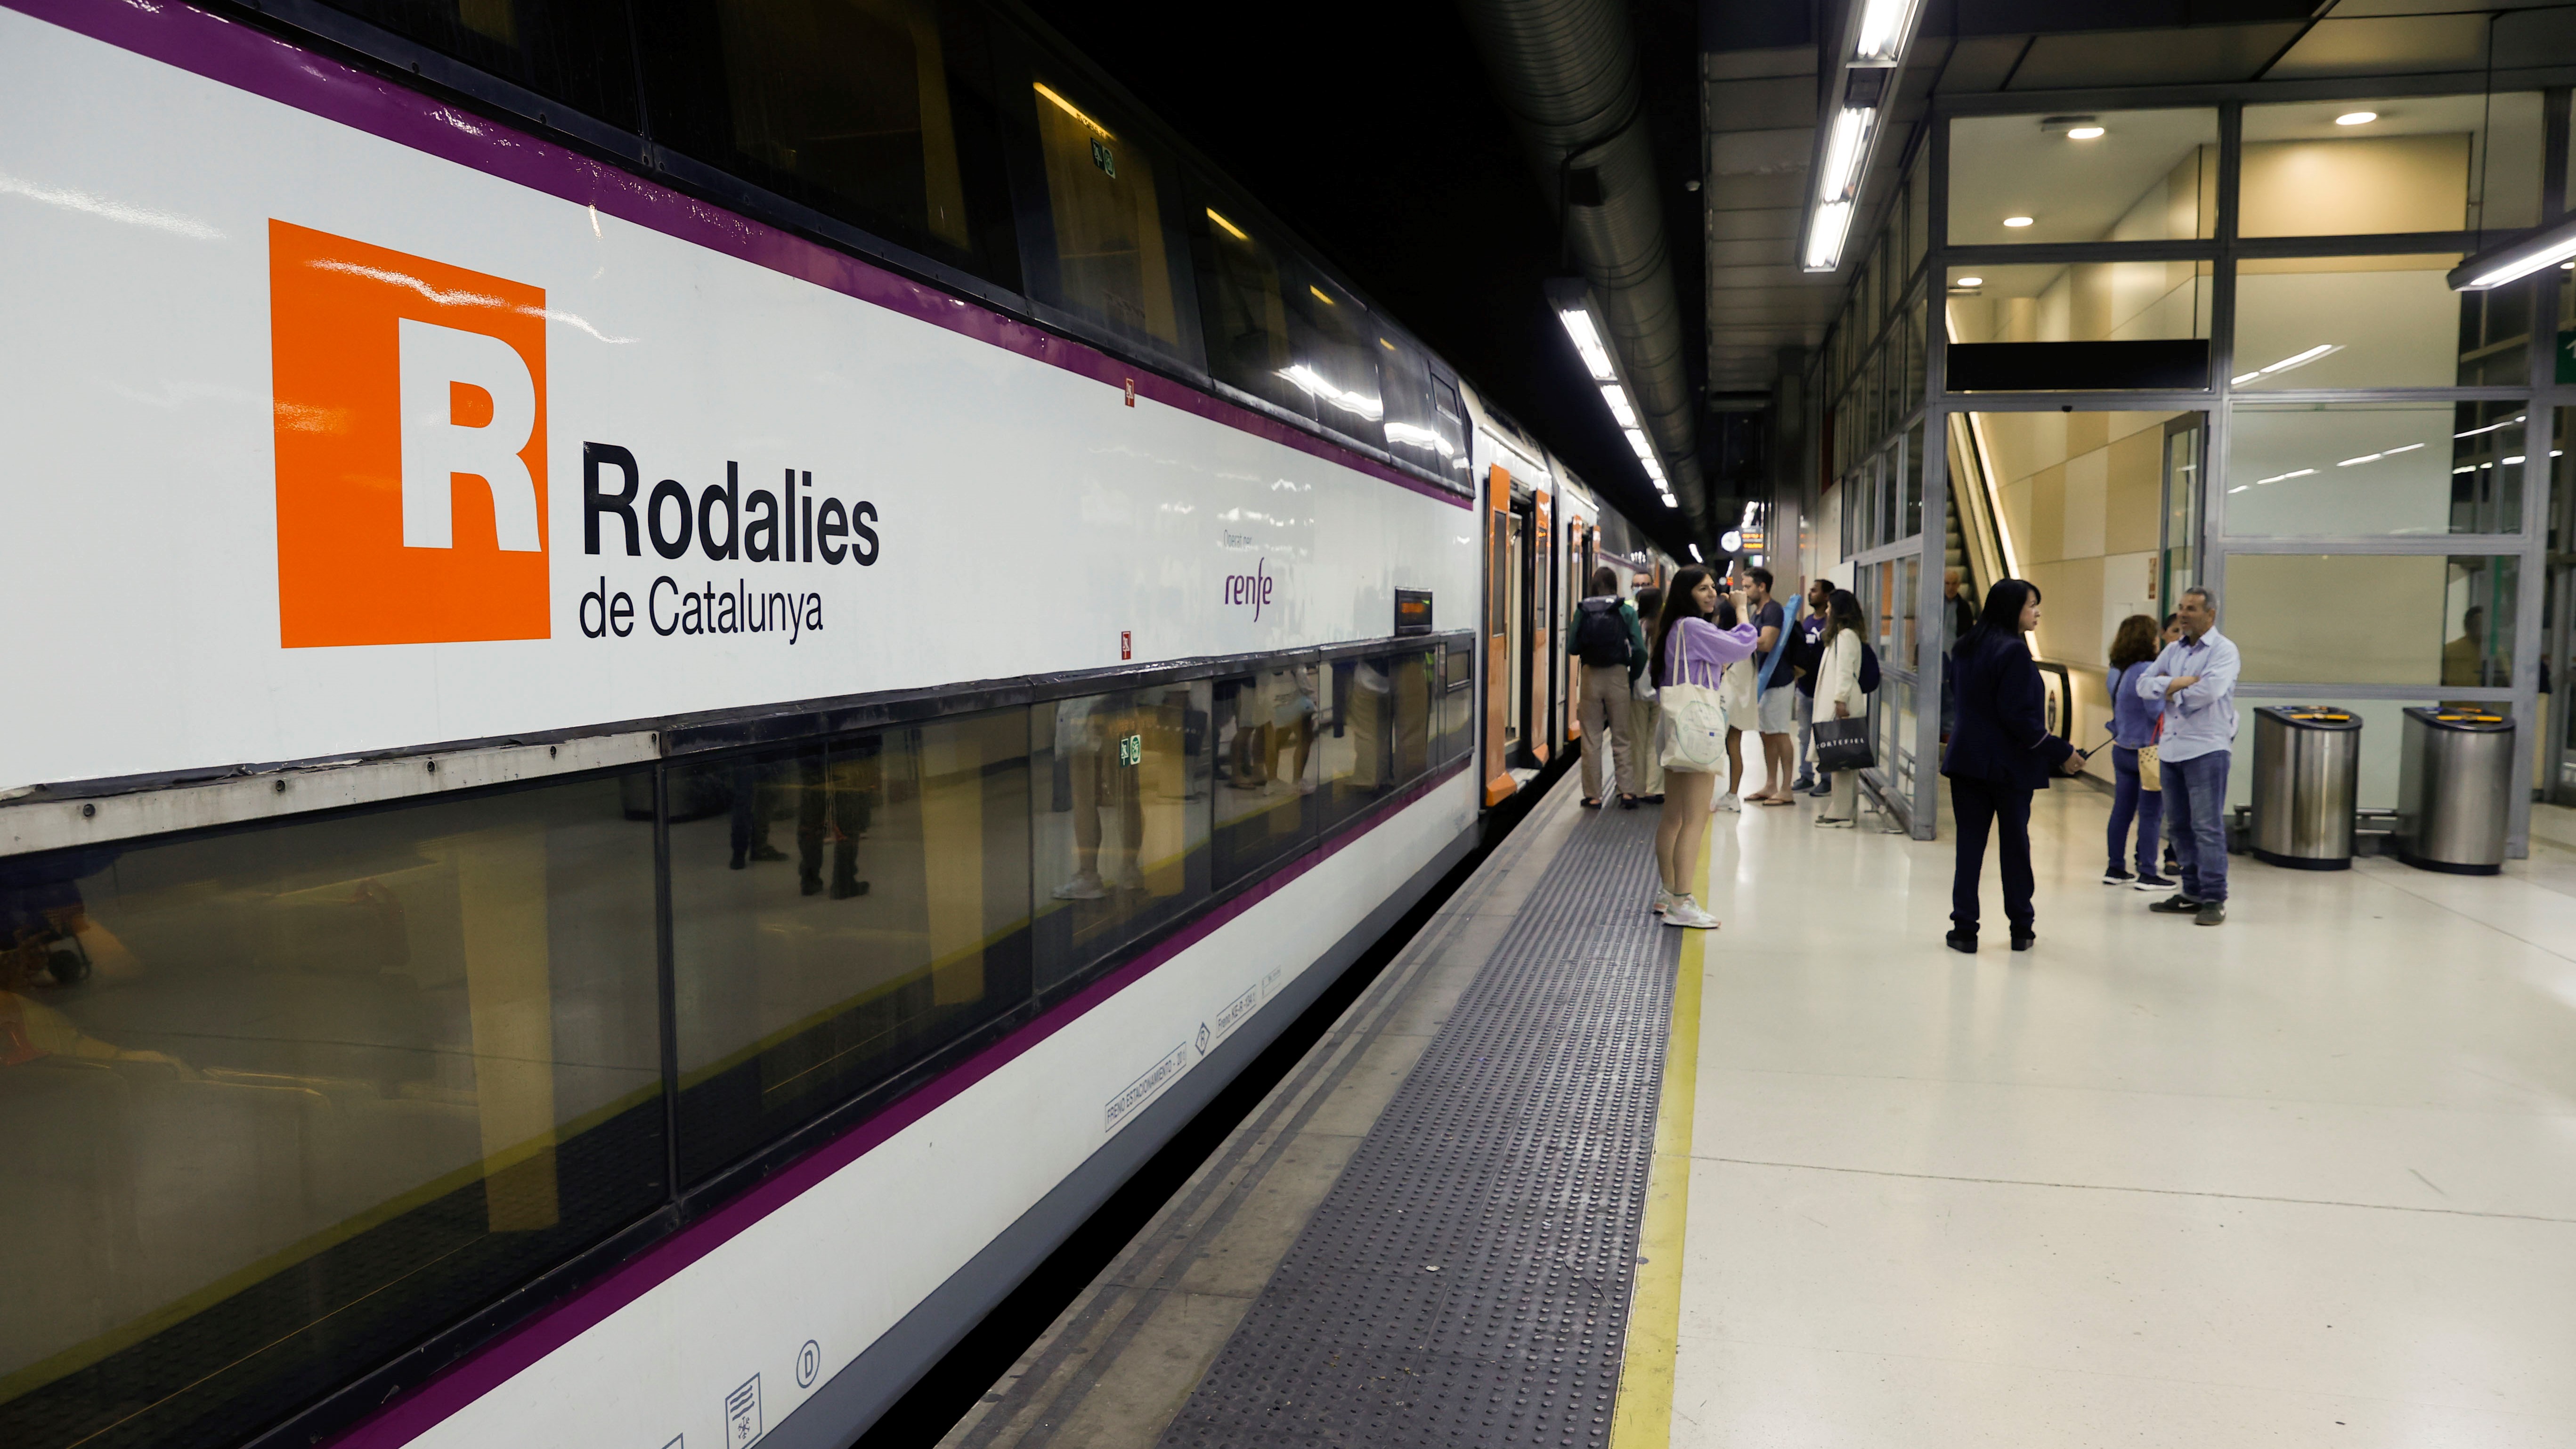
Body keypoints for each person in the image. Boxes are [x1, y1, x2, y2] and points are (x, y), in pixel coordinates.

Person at [1940, 579, 2082, 953]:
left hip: (1966, 761)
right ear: (2011, 609)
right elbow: (2021, 721)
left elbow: (1964, 700)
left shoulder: (1964, 647)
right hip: (2008, 768)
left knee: (1969, 848)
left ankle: (1964, 929)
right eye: (2031, 605)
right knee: (2015, 847)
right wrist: (2063, 753)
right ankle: (2021, 926)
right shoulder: (2013, 653)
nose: (2037, 612)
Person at [1650, 567, 1762, 929]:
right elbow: (1746, 644)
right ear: (1686, 593)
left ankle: (1667, 893)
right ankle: (1682, 901)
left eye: (1713, 587)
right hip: (1697, 729)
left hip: (1675, 726)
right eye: (1702, 589)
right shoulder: (1694, 628)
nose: (1712, 594)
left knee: (1673, 817)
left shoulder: (1674, 629)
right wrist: (1743, 610)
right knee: (1696, 818)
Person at [2137, 586, 2239, 926]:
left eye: (2191, 609)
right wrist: (2179, 682)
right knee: (2178, 827)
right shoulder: (2172, 650)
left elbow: (2208, 692)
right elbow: (2141, 685)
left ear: (2210, 615)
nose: (2183, 614)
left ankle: (2213, 898)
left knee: (2206, 827)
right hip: (2171, 750)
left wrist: (2168, 690)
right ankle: (2192, 892)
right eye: (2181, 607)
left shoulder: (2224, 651)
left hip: (2207, 749)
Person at [2104, 614, 2170, 891]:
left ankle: (2115, 867)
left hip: (2121, 748)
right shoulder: (2147, 670)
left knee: (2122, 810)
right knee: (2151, 814)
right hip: (2148, 752)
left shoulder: (2116, 671)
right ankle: (2147, 871)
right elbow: (2155, 711)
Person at [1573, 566, 1641, 808]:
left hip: (1591, 675)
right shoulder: (1625, 610)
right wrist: (1633, 674)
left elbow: (1572, 646)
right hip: (1618, 675)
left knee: (1591, 738)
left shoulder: (1583, 609)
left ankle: (1593, 796)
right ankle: (1627, 792)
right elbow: (1640, 649)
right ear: (1615, 584)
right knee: (1622, 736)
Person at [1809, 588, 1869, 828]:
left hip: (1842, 704)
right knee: (1844, 759)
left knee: (1841, 759)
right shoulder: (1847, 635)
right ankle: (1845, 809)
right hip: (1842, 701)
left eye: (1830, 607)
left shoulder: (1845, 637)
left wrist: (1840, 701)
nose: (1827, 611)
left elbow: (1845, 671)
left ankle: (1841, 812)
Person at [1740, 567, 1797, 805]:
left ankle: (1786, 788)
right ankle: (1771, 784)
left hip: (1778, 680)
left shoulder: (1772, 610)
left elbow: (1766, 643)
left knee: (1780, 733)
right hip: (1764, 681)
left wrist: (1740, 639)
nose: (1744, 592)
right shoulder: (1758, 612)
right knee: (1766, 734)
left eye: (1747, 587)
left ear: (1761, 586)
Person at [1790, 578, 1831, 795]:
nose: (1810, 594)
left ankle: (1827, 778)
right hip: (1805, 689)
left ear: (1826, 596)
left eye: (1815, 591)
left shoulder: (1831, 624)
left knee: (1824, 734)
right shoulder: (1807, 621)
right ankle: (1805, 776)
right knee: (1804, 734)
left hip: (1824, 690)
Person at [1630, 584, 1666, 804]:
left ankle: (1638, 787)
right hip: (1661, 692)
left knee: (1637, 740)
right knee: (1656, 741)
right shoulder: (1665, 628)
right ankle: (1655, 788)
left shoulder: (1635, 626)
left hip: (1637, 692)